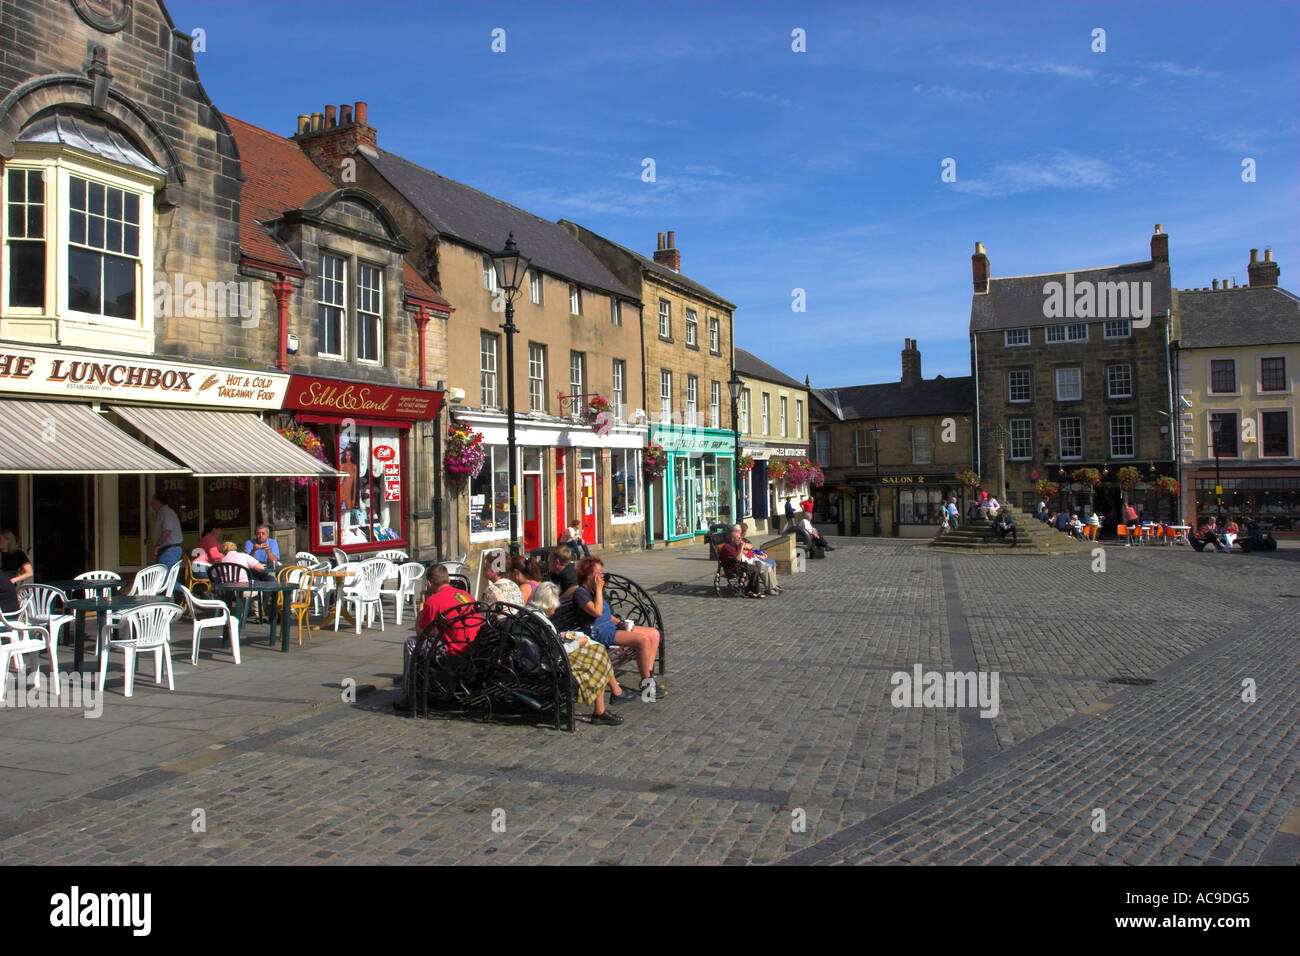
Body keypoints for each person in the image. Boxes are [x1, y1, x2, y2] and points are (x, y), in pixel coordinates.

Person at [528, 582, 624, 725]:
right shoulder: (542, 622)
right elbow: (556, 652)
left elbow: (549, 644)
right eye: (553, 607)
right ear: (547, 604)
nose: (554, 611)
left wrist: (561, 636)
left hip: (543, 657)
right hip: (550, 663)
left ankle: (601, 709)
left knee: (598, 651)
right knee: (598, 656)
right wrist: (576, 644)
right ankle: (600, 711)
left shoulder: (530, 612)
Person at [571, 556, 662, 699]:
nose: (601, 576)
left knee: (654, 634)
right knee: (642, 641)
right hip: (598, 632)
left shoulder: (595, 590)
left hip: (609, 626)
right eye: (598, 572)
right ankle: (647, 685)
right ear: (589, 575)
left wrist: (619, 622)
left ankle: (649, 678)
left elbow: (607, 614)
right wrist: (600, 590)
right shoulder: (581, 594)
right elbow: (597, 612)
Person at [394, 565, 478, 711]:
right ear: (449, 580)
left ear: (429, 584)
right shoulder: (465, 595)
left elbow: (421, 632)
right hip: (474, 649)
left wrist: (422, 605)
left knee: (411, 643)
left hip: (454, 653)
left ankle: (410, 694)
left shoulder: (434, 601)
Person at [718, 525, 769, 598]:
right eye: (738, 538)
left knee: (754, 568)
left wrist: (743, 548)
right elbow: (738, 559)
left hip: (738, 565)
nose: (740, 539)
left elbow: (748, 548)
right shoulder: (727, 547)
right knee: (754, 569)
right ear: (732, 539)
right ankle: (755, 591)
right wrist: (742, 547)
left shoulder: (734, 545)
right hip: (732, 568)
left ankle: (750, 590)